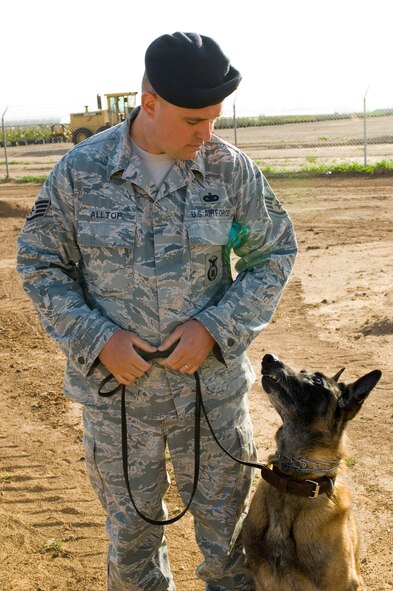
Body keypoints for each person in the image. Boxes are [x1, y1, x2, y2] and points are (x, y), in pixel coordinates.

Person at [17, 32, 297, 591]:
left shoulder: (229, 171)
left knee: (231, 552)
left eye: (215, 118)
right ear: (150, 104)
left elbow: (273, 255)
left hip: (210, 401)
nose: (207, 133)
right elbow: (41, 264)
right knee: (132, 548)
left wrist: (215, 329)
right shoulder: (79, 173)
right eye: (194, 120)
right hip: (120, 403)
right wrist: (98, 339)